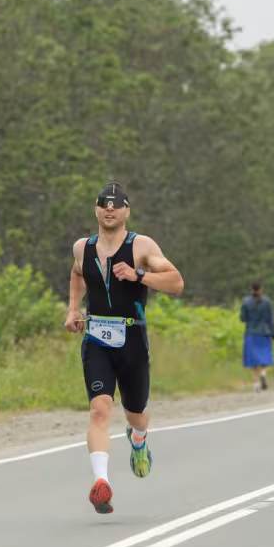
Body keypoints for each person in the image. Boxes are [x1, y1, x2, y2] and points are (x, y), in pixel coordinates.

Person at [65, 182, 185, 514]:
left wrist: (139, 275)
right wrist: (73, 309)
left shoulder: (141, 245)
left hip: (131, 339)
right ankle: (101, 484)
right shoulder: (83, 248)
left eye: (117, 204)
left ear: (126, 211)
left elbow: (176, 282)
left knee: (136, 414)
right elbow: (77, 273)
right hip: (96, 339)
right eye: (104, 204)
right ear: (96, 209)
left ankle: (139, 439)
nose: (110, 209)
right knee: (99, 410)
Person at [240, 281, 274, 392]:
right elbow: (271, 320)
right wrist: (273, 333)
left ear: (251, 289)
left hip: (251, 333)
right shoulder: (267, 302)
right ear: (261, 289)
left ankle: (256, 384)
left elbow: (242, 318)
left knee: (253, 361)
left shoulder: (246, 302)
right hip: (264, 333)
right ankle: (263, 373)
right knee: (265, 357)